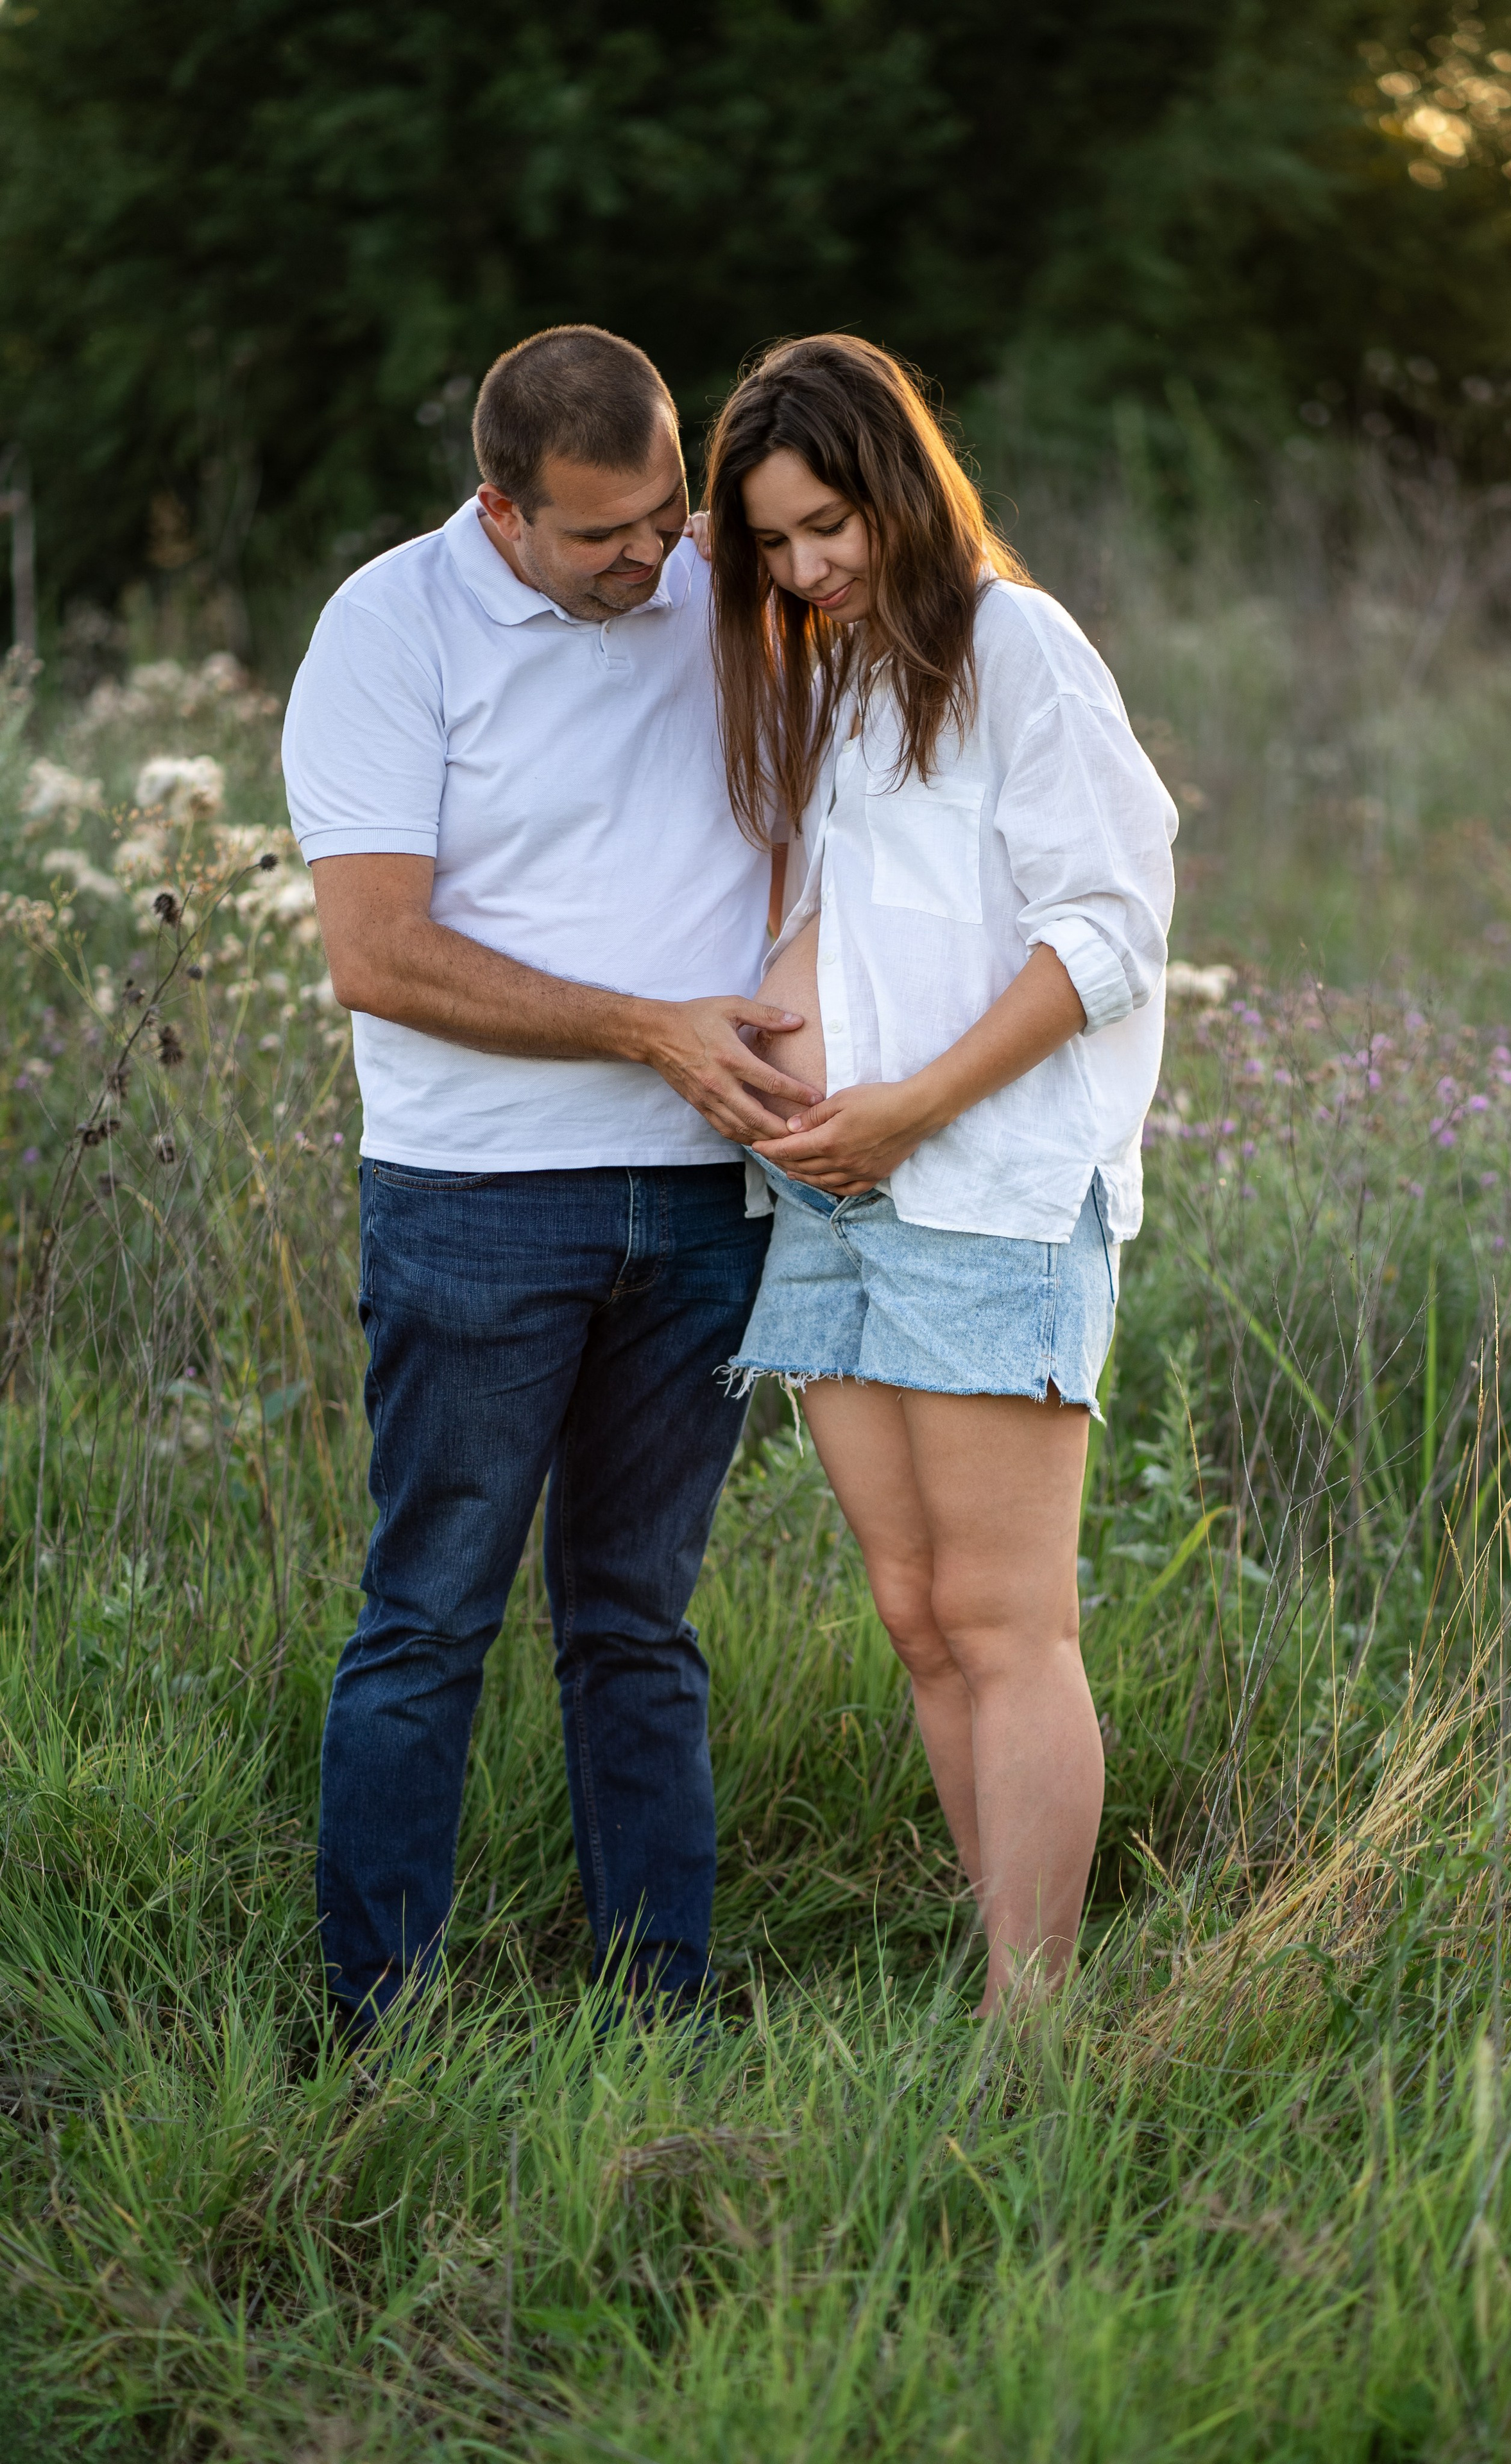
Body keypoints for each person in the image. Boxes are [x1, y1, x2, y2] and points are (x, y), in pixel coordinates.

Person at [282, 325, 821, 2041]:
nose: (651, 557)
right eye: (604, 534)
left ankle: (660, 2016)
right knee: (430, 1614)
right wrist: (649, 1031)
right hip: (477, 1199)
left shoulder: (726, 585)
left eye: (666, 513)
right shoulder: (389, 628)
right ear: (501, 509)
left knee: (639, 1621)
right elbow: (377, 954)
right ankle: (377, 2030)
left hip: (703, 1197)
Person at [705, 335, 1177, 2015]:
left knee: (1001, 1616)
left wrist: (907, 1107)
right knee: (914, 1615)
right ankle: (1002, 1976)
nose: (803, 568)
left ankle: (1030, 2034)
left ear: (898, 486)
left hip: (983, 1190)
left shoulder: (1014, 644)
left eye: (826, 526)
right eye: (772, 542)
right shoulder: (847, 671)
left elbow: (1107, 932)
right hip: (832, 1198)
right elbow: (852, 915)